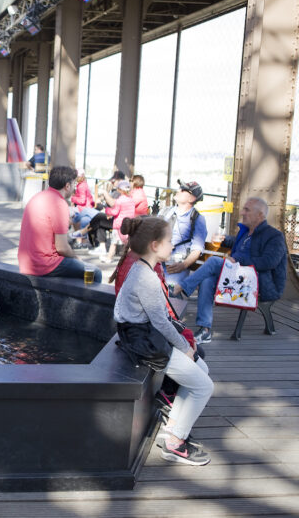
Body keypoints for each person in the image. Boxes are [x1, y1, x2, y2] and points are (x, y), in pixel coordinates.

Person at [114, 216, 213, 466]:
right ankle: (175, 443)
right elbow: (160, 323)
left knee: (202, 371)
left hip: (144, 336)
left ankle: (173, 431)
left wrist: (186, 348)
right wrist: (185, 348)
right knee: (204, 386)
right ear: (155, 245)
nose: (173, 246)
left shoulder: (142, 268)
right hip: (144, 343)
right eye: (169, 241)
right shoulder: (145, 277)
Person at [173, 197, 287, 344]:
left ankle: (181, 287)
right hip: (239, 277)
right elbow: (244, 245)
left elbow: (269, 262)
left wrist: (238, 261)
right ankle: (205, 330)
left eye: (247, 210)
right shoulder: (247, 232)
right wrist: (224, 239)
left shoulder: (274, 236)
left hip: (261, 284)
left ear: (260, 215)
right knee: (207, 281)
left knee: (214, 261)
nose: (242, 212)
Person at [18, 165, 102, 283]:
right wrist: (77, 258)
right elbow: (62, 248)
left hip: (25, 262)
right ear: (67, 186)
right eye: (74, 184)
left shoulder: (37, 197)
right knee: (95, 272)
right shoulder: (59, 204)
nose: (75, 188)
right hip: (43, 265)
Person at [159, 180, 207, 291]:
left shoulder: (197, 218)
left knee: (170, 294)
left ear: (192, 198)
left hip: (175, 267)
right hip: (156, 262)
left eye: (183, 190)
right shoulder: (165, 211)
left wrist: (183, 265)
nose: (178, 190)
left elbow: (197, 249)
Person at [86, 170, 125, 255]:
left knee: (97, 219)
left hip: (117, 220)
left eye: (113, 181)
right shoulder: (117, 191)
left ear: (120, 181)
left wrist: (105, 194)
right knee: (97, 216)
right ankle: (100, 246)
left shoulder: (120, 193)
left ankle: (97, 244)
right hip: (114, 217)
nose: (112, 182)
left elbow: (113, 205)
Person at [101, 180, 136, 263]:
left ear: (120, 190)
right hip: (128, 224)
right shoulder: (131, 200)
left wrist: (107, 210)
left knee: (113, 243)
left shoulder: (119, 200)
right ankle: (131, 258)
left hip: (118, 225)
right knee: (127, 243)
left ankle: (109, 258)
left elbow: (115, 212)